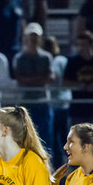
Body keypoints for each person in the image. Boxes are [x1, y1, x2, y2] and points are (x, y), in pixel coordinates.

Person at [13, 23, 55, 159]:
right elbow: (20, 79)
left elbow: (48, 78)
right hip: (26, 103)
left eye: (36, 36)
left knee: (45, 138)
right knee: (24, 138)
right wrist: (38, 79)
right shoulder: (19, 57)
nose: (33, 39)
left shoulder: (46, 57)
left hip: (42, 102)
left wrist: (30, 80)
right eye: (31, 36)